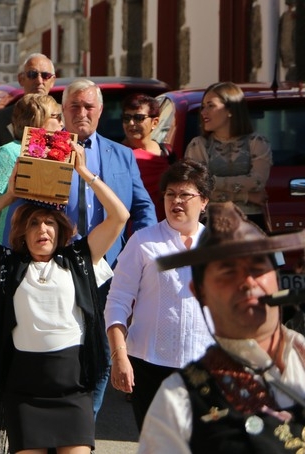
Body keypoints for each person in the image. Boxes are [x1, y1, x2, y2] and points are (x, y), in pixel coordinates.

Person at [0, 141, 130, 454]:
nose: (42, 230)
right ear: (22, 232)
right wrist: (7, 197)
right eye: (34, 223)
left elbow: (119, 216)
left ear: (60, 229)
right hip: (24, 389)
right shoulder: (7, 262)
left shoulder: (79, 258)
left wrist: (84, 173)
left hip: (72, 388)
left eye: (49, 222)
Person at [138, 201, 305, 453]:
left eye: (258, 267)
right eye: (228, 271)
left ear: (276, 278)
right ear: (199, 291)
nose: (248, 282)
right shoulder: (179, 400)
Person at [62, 78, 157, 418]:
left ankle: (84, 423)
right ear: (63, 109)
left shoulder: (122, 156)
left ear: (100, 111)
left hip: (109, 270)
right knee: (64, 349)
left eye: (89, 106)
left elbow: (143, 207)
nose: (82, 112)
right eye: (75, 106)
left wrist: (140, 254)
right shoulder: (45, 149)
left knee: (103, 352)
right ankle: (62, 420)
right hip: (58, 267)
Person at [105, 159, 215, 430]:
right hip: (151, 365)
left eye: (185, 195)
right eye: (170, 194)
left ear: (204, 201)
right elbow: (117, 302)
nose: (176, 201)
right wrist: (119, 356)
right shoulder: (143, 242)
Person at [0, 94, 63, 247]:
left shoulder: (59, 152)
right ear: (40, 118)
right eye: (57, 116)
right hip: (14, 243)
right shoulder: (9, 152)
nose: (62, 122)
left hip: (49, 244)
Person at [184, 82, 272, 229]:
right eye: (203, 106)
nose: (203, 112)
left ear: (230, 109)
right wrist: (245, 196)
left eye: (210, 105)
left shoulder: (257, 142)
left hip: (251, 223)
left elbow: (257, 181)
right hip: (212, 223)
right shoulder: (198, 145)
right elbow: (196, 188)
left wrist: (212, 183)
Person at [0, 53, 56, 174]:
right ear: (21, 79)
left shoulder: (63, 117)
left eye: (45, 75)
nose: (39, 81)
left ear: (52, 81)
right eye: (32, 74)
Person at [121, 93, 170, 222]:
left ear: (155, 122)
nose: (131, 123)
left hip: (163, 229)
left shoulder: (168, 154)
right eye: (126, 118)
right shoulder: (116, 155)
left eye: (138, 118)